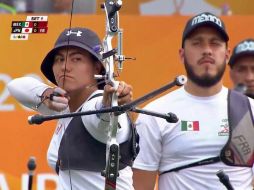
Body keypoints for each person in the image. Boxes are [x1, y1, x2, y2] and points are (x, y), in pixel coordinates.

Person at [132, 12, 254, 190]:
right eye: (197, 43)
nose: (207, 50)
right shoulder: (156, 114)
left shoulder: (249, 110)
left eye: (215, 43)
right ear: (182, 54)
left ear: (227, 54)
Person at [7, 27, 138, 190]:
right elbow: (15, 86)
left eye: (76, 59)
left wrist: (110, 105)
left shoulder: (95, 105)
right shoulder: (62, 105)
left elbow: (102, 120)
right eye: (60, 59)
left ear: (97, 67)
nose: (65, 67)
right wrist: (46, 94)